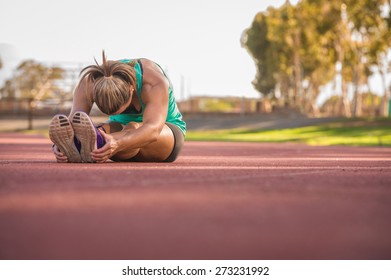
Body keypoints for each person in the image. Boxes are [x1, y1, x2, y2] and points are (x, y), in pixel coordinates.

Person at [48, 51, 186, 163]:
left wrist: (118, 143)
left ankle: (98, 143)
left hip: (165, 135)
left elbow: (153, 129)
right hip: (120, 137)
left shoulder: (152, 81)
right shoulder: (88, 83)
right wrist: (61, 145)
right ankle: (93, 144)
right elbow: (73, 123)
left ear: (131, 89)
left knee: (133, 126)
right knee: (103, 129)